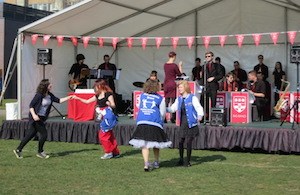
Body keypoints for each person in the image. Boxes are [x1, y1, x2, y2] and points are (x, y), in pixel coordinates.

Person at [13, 79, 73, 159]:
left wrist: (69, 97)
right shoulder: (39, 95)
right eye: (49, 84)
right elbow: (31, 105)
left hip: (42, 117)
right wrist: (34, 115)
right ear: (45, 86)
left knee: (30, 135)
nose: (51, 85)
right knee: (44, 134)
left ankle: (18, 149)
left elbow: (59, 100)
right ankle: (40, 152)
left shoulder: (49, 95)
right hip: (36, 118)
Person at [129, 80, 171, 171]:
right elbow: (163, 112)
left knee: (144, 144)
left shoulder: (142, 96)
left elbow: (139, 106)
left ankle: (146, 164)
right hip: (154, 122)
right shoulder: (160, 98)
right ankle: (156, 162)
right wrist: (161, 120)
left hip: (142, 121)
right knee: (156, 143)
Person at [74, 79, 120, 159]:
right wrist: (77, 98)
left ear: (101, 85)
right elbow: (88, 101)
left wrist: (109, 104)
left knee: (103, 135)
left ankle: (109, 152)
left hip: (108, 116)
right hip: (103, 116)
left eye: (96, 86)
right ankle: (114, 152)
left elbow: (113, 105)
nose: (95, 87)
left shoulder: (108, 94)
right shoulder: (97, 95)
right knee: (109, 135)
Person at [167, 80, 204, 167]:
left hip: (191, 123)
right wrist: (165, 109)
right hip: (183, 123)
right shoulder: (179, 99)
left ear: (185, 87)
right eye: (178, 87)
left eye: (180, 87)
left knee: (188, 142)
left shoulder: (192, 98)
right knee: (180, 141)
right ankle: (180, 159)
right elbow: (172, 109)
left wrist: (200, 115)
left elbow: (198, 107)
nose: (179, 89)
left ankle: (187, 161)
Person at [163, 51, 183, 123]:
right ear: (174, 57)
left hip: (166, 83)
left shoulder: (165, 65)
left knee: (166, 101)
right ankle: (173, 117)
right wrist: (180, 66)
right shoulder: (174, 65)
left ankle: (164, 116)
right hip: (172, 83)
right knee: (173, 101)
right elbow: (180, 74)